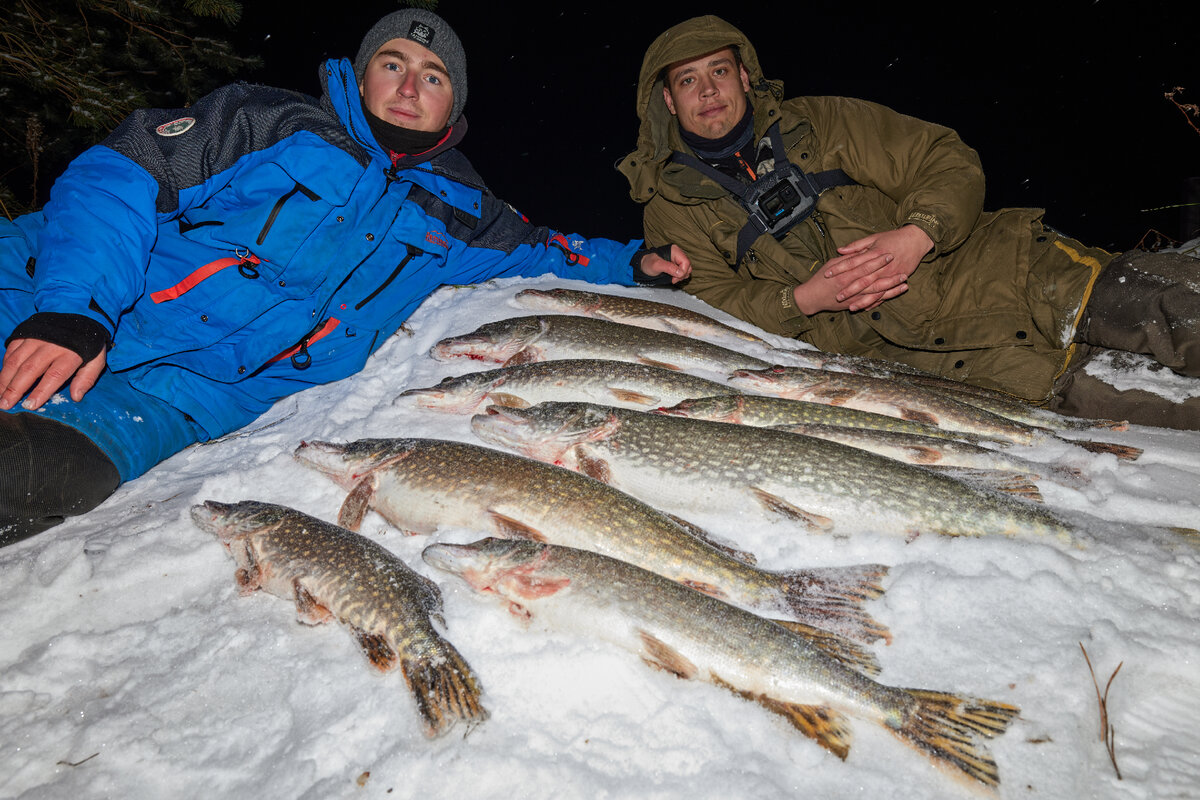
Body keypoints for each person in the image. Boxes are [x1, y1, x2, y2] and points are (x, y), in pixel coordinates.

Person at [0, 9, 691, 545]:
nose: (409, 86)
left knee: (30, 477)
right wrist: (73, 308)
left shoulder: (462, 212)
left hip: (186, 398)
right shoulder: (268, 120)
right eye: (392, 63)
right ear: (362, 77)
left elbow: (548, 249)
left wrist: (632, 262)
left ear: (453, 106)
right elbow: (120, 171)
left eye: (433, 76)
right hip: (47, 291)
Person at [619, 15, 1200, 430]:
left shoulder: (825, 121)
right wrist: (802, 300)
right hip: (948, 362)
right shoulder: (669, 206)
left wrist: (918, 233)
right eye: (687, 80)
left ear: (745, 77)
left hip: (1010, 272)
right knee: (1162, 410)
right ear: (668, 102)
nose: (708, 90)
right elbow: (712, 305)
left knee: (1176, 317)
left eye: (718, 70)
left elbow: (945, 160)